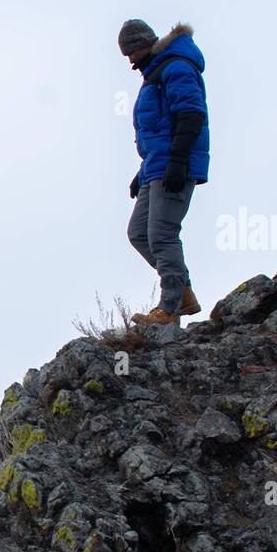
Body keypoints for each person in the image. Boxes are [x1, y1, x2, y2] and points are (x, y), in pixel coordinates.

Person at [118, 19, 210, 326]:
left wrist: (178, 162)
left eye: (132, 51)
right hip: (155, 167)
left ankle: (169, 309)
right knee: (139, 233)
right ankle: (183, 291)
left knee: (161, 234)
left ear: (146, 42)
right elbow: (160, 129)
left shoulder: (175, 67)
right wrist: (142, 172)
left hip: (174, 166)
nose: (130, 59)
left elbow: (191, 115)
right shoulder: (155, 72)